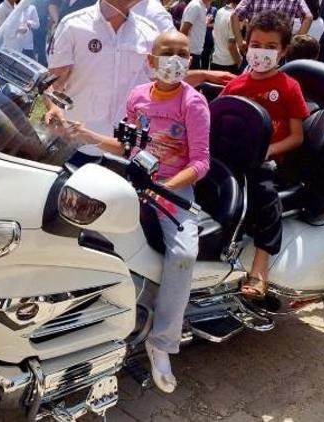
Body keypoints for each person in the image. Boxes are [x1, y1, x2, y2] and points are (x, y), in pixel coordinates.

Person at [70, 31, 210, 394]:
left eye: (183, 53)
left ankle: (162, 342)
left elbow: (201, 161)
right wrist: (83, 132)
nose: (175, 59)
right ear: (151, 60)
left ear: (190, 61)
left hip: (173, 189)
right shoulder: (137, 97)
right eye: (167, 52)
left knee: (183, 253)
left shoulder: (193, 103)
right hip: (133, 180)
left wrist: (167, 187)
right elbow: (126, 145)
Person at [220, 10, 309, 298]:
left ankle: (260, 269)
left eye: (271, 47)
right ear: (246, 45)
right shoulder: (235, 85)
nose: (262, 52)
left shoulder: (288, 87)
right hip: (231, 157)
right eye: (256, 44)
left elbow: (297, 137)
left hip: (266, 163)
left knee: (266, 197)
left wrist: (266, 150)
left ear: (283, 51)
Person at [46, 0, 233, 137]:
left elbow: (163, 79)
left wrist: (204, 74)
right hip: (78, 139)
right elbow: (53, 81)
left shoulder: (149, 32)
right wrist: (53, 107)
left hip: (126, 145)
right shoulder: (74, 25)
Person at [231, 0, 312, 55]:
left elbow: (234, 15)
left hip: (256, 46)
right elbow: (308, 17)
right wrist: (293, 43)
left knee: (251, 76)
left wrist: (240, 42)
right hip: (278, 49)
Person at [210, 0, 240, 73]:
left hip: (215, 61)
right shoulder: (234, 16)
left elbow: (214, 34)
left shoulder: (220, 11)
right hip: (229, 65)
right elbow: (231, 46)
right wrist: (240, 62)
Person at [180, 0, 209, 70]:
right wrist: (184, 52)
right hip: (190, 54)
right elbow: (184, 30)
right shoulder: (196, 6)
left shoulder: (202, 7)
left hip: (195, 53)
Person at [200, 2, 216, 69]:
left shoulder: (214, 10)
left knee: (206, 60)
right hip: (199, 38)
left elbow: (216, 24)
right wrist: (206, 23)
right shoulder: (200, 8)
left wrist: (206, 25)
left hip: (208, 39)